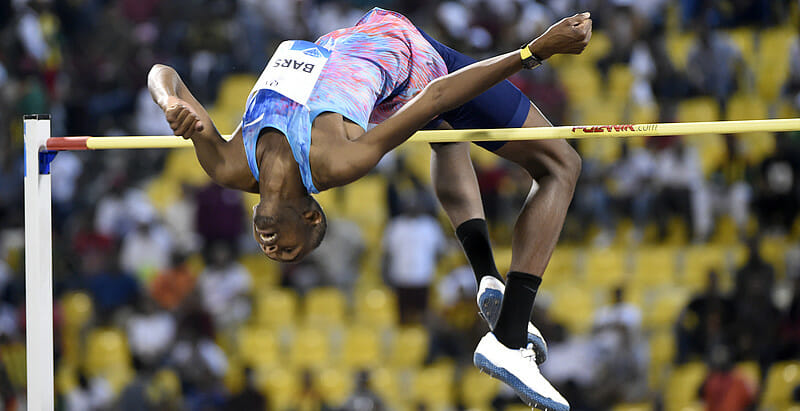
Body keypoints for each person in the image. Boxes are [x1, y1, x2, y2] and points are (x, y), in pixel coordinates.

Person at [148, 8, 591, 410]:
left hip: (359, 41)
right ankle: (510, 340)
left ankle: (488, 279)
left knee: (440, 128)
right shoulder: (338, 161)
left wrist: (170, 104)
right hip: (411, 61)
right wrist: (535, 51)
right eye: (288, 250)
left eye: (279, 253)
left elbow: (162, 72)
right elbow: (436, 95)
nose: (271, 250)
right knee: (561, 164)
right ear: (311, 216)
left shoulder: (228, 165)